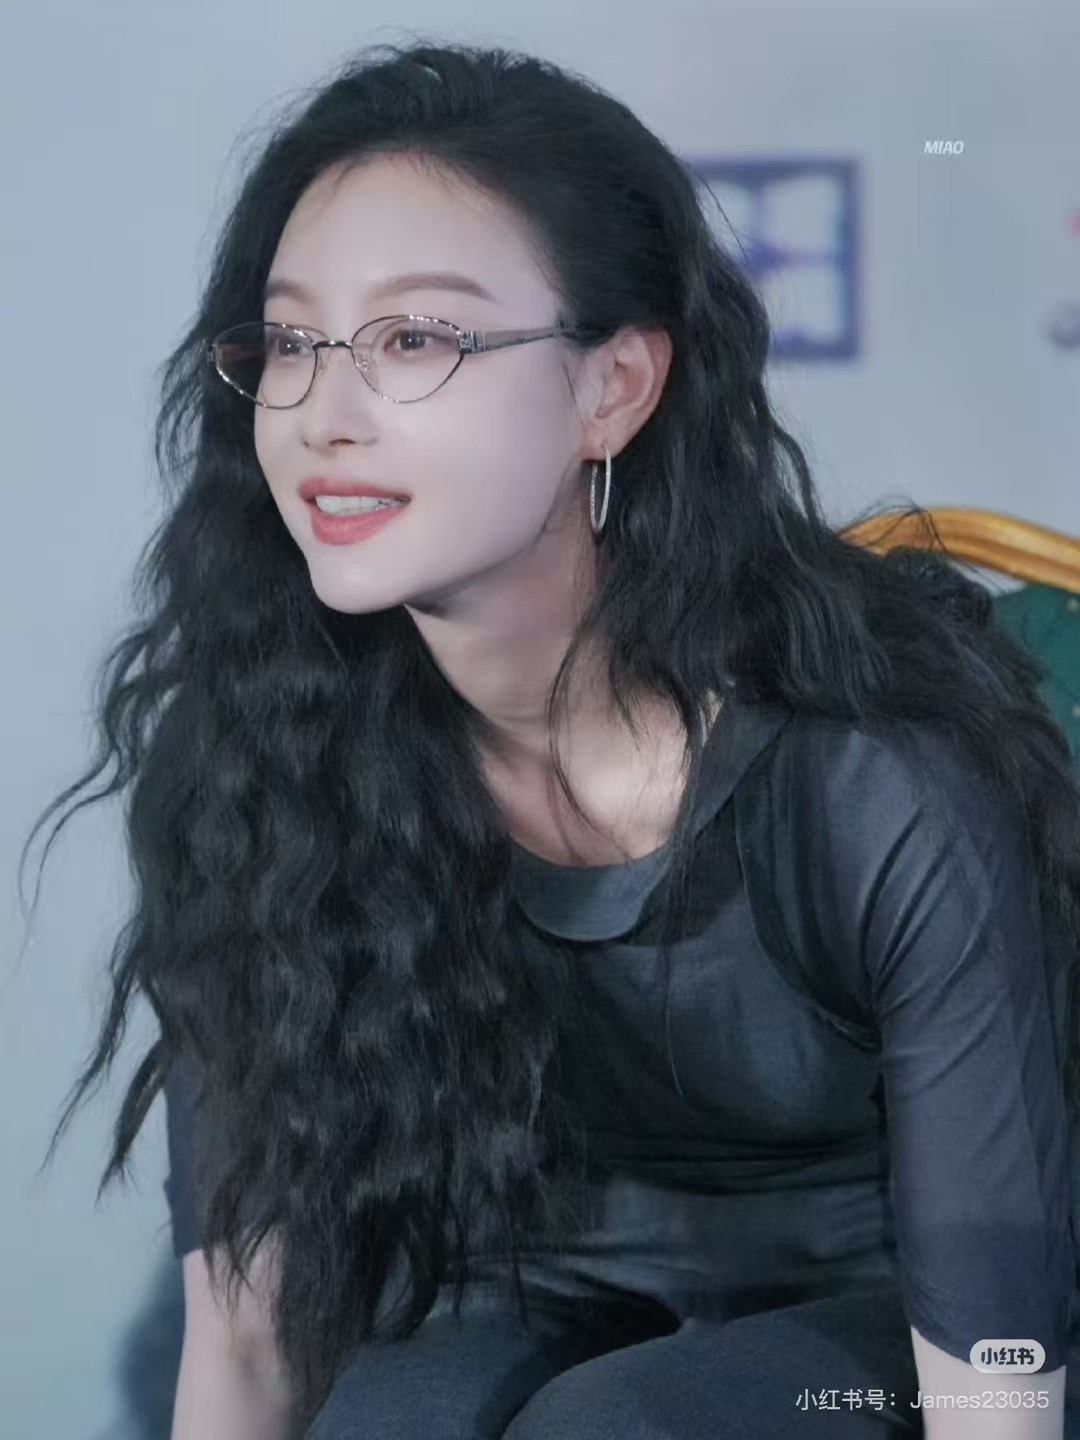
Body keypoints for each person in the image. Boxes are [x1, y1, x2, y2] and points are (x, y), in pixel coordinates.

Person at [20, 36, 1080, 1440]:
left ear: (612, 389)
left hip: (913, 1332)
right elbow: (247, 1336)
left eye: (414, 339)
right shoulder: (257, 764)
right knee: (395, 1416)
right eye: (290, 342)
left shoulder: (866, 774)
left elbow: (995, 1365)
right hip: (542, 1303)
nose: (324, 414)